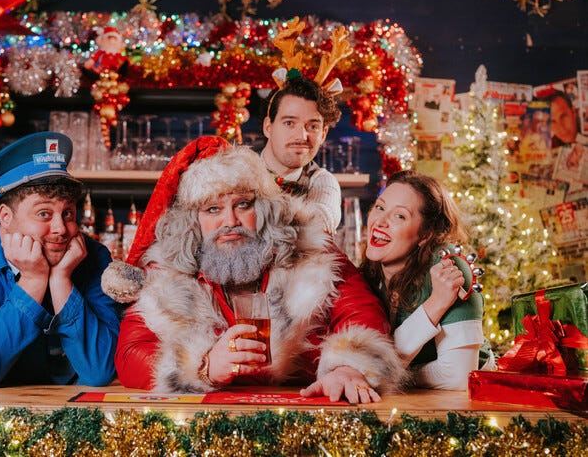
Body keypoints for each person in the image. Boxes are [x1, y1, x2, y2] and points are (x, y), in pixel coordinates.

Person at [106, 136, 405, 402]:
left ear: (262, 208)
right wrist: (205, 366)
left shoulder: (308, 244)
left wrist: (348, 367)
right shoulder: (167, 272)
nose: (230, 221)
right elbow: (131, 353)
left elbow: (359, 307)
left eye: (243, 204)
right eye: (213, 209)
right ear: (192, 221)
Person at [0, 131, 120, 388]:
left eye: (67, 213)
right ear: (6, 217)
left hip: (73, 414)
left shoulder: (94, 256)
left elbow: (100, 370)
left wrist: (61, 280)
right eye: (44, 213)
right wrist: (33, 280)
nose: (61, 229)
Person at [359, 170, 494, 391]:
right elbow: (364, 365)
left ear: (425, 235)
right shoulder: (369, 272)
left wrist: (387, 373)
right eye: (380, 207)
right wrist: (434, 306)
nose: (380, 221)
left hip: (469, 402)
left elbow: (459, 376)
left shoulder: (447, 267)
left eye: (399, 216)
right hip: (408, 400)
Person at [261, 75, 343, 233]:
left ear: (323, 134)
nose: (301, 136)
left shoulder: (323, 182)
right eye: (289, 123)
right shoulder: (237, 172)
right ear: (268, 127)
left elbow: (317, 227)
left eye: (313, 126)